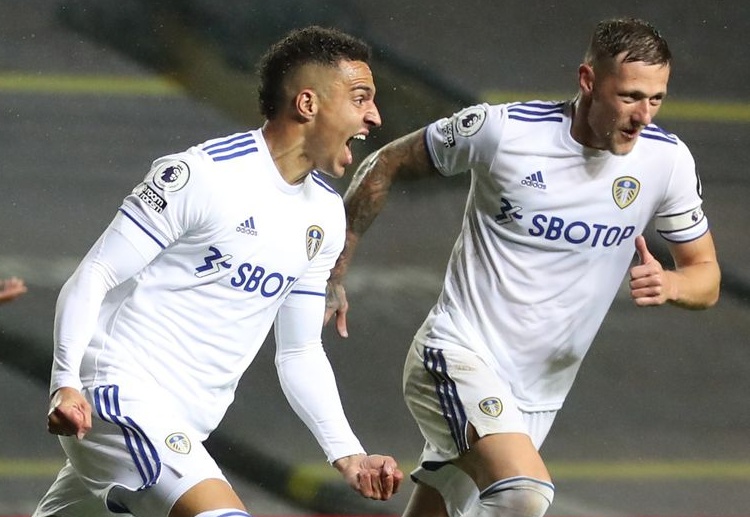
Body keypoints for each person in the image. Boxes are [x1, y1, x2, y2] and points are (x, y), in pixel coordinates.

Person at [325, 17, 720, 517]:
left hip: (537, 396)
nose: (644, 115)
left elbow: (706, 276)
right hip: (457, 353)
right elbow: (387, 163)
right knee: (522, 493)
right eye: (630, 97)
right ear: (588, 81)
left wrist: (672, 282)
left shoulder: (667, 162)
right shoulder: (504, 131)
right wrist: (331, 272)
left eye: (656, 99)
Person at [33, 25, 403, 517]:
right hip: (116, 396)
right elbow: (95, 274)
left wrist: (347, 453)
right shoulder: (200, 175)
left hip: (182, 427)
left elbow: (299, 350)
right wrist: (65, 381)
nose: (374, 117)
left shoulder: (324, 215)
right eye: (361, 99)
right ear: (308, 104)